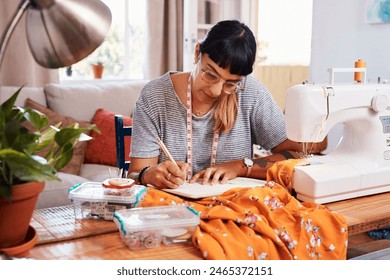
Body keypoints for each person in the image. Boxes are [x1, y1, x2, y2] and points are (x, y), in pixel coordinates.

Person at [128, 19, 325, 189]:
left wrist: (241, 166)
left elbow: (300, 153)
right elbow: (135, 174)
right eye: (210, 74)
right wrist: (148, 174)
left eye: (230, 83)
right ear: (198, 53)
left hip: (232, 209)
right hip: (172, 213)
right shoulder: (155, 96)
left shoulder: (250, 93)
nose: (215, 91)